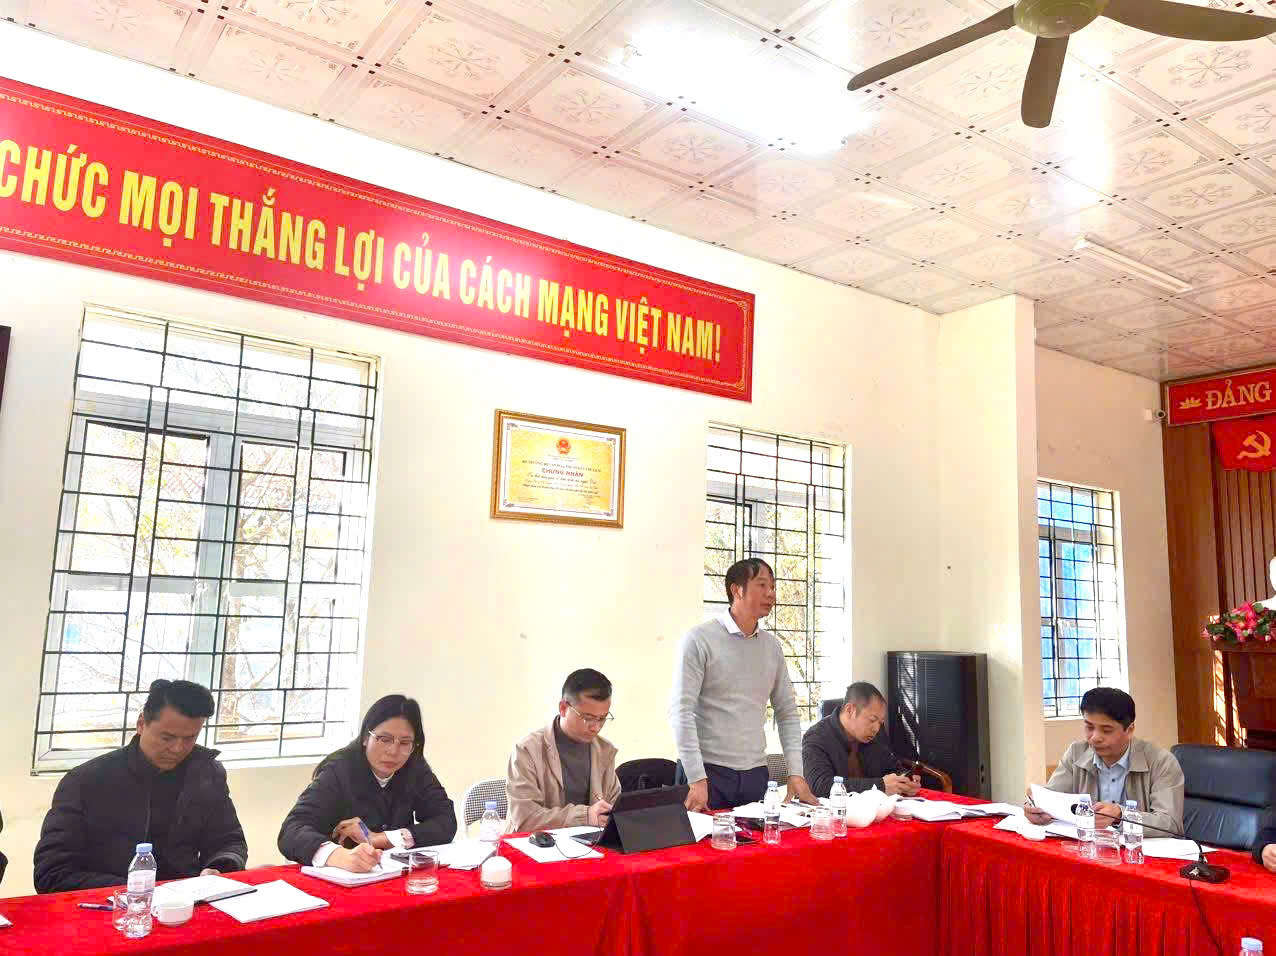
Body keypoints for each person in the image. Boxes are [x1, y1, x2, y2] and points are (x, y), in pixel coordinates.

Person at [33, 679, 247, 893]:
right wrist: (137, 890)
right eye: (167, 738)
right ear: (141, 724)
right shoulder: (86, 781)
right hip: (111, 902)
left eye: (190, 738)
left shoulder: (206, 774)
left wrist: (219, 867)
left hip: (186, 900)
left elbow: (229, 841)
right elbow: (52, 873)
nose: (177, 749)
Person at [670, 557, 816, 811]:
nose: (771, 593)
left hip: (755, 774)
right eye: (762, 585)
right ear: (736, 590)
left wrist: (796, 772)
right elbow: (680, 712)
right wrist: (696, 777)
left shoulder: (771, 647)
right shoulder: (699, 639)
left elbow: (787, 713)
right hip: (707, 773)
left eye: (773, 586)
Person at [277, 694, 456, 873]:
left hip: (393, 875)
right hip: (342, 877)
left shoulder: (415, 768)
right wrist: (338, 855)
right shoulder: (338, 770)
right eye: (384, 739)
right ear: (365, 737)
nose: (393, 751)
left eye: (404, 742)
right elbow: (292, 830)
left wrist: (383, 838)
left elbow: (446, 821)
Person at [1024, 686, 1184, 835]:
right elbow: (1051, 799)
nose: (1095, 737)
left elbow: (1170, 823)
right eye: (1089, 727)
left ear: (1129, 730)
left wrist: (1120, 815)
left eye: (1106, 730)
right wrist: (1036, 808)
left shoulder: (1161, 761)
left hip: (1138, 851)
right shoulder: (1076, 753)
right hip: (1087, 847)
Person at [505, 668, 623, 833]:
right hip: (533, 844)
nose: (596, 727)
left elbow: (615, 809)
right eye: (588, 718)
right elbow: (525, 819)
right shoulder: (527, 750)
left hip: (586, 844)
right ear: (563, 708)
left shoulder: (604, 751)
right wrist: (584, 816)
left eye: (602, 718)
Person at [802, 681, 921, 798]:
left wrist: (905, 782)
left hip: (876, 808)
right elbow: (820, 786)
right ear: (849, 710)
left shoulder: (874, 737)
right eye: (872, 720)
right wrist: (879, 786)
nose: (876, 728)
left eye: (880, 722)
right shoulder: (816, 737)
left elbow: (894, 769)